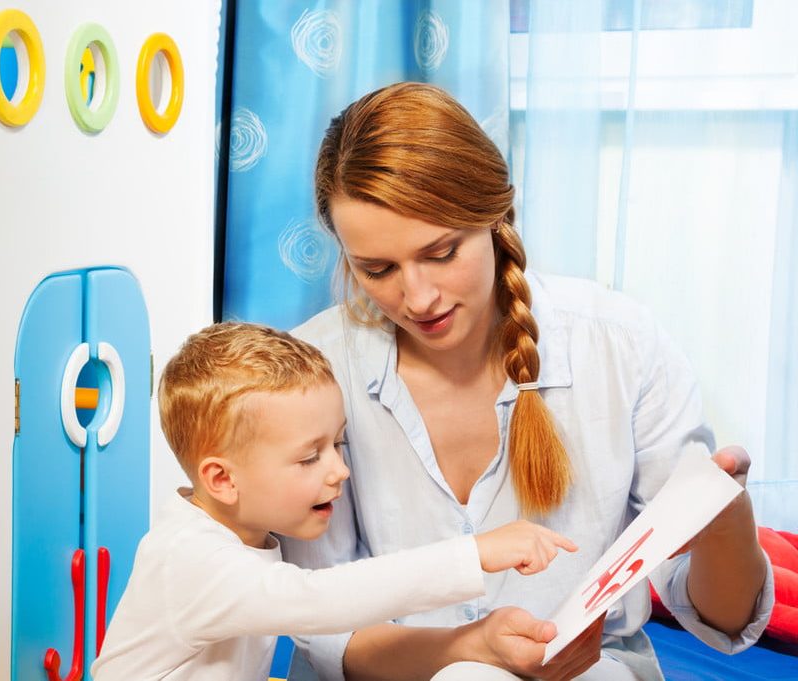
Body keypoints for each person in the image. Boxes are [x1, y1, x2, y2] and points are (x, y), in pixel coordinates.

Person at [281, 81, 774, 681]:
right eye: (377, 269)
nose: (417, 297)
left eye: (441, 253)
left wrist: (727, 521)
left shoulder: (621, 344)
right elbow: (322, 622)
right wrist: (468, 650)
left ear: (493, 215)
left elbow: (722, 622)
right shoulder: (312, 371)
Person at [90, 322, 578, 681]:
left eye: (338, 445)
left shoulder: (238, 537)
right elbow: (319, 599)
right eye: (308, 459)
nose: (340, 470)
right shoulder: (192, 558)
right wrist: (475, 553)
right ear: (222, 479)